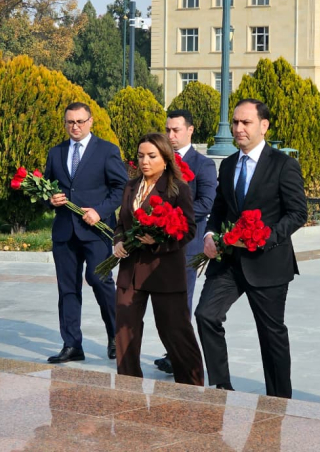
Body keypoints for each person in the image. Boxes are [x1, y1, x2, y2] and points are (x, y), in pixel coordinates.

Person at [195, 99, 308, 398]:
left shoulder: (283, 165)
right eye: (235, 122)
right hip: (229, 261)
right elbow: (220, 208)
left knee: (271, 335)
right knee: (206, 315)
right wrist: (209, 234)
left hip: (268, 263)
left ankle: (279, 400)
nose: (238, 128)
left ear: (264, 126)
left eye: (245, 122)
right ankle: (221, 386)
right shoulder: (228, 164)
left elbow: (298, 213)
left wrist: (265, 238)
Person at [112, 132, 204, 385]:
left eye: (152, 156)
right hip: (130, 271)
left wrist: (159, 241)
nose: (145, 161)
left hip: (164, 271)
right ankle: (129, 386)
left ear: (165, 158)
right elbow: (121, 223)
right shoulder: (131, 186)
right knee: (124, 330)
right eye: (141, 156)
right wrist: (118, 241)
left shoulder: (177, 188)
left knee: (175, 331)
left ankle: (192, 387)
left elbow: (189, 230)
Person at [44, 102, 127, 364]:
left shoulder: (107, 151)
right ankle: (72, 345)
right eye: (70, 122)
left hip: (96, 231)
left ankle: (117, 336)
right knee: (67, 289)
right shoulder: (56, 152)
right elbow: (47, 187)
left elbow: (121, 188)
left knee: (99, 280)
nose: (75, 126)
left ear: (90, 121)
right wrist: (51, 199)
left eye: (80, 121)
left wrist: (100, 211)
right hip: (64, 233)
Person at [153, 110, 217, 375]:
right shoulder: (159, 160)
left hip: (186, 244)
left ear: (190, 130)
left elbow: (206, 202)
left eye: (176, 130)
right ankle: (173, 349)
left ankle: (179, 355)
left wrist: (173, 217)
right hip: (157, 243)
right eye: (167, 130)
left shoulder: (203, 164)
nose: (170, 135)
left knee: (182, 300)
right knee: (164, 301)